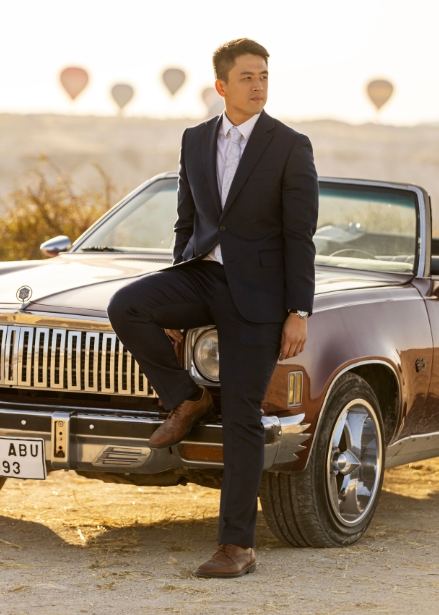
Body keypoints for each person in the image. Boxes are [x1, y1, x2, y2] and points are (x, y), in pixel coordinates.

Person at [108, 37, 319, 578]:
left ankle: (237, 547)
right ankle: (186, 397)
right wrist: (180, 283)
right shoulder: (195, 139)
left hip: (262, 297)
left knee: (243, 417)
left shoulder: (290, 146)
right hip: (202, 277)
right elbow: (187, 218)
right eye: (247, 77)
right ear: (222, 85)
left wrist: (298, 309)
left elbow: (300, 234)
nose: (258, 85)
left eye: (265, 76)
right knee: (127, 305)